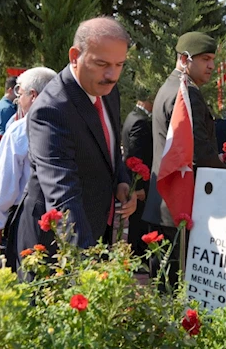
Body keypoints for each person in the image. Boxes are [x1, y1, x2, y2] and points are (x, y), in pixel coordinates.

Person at [11, 17, 137, 274]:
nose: (112, 75)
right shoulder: (51, 110)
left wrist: (122, 181)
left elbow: (109, 149)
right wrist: (88, 266)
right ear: (75, 56)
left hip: (93, 230)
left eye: (119, 65)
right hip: (54, 248)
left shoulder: (107, 91)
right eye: (102, 64)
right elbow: (62, 196)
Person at [143, 31, 226, 284]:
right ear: (184, 59)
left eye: (213, 59)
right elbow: (198, 150)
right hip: (178, 204)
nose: (211, 65)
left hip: (164, 202)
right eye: (205, 59)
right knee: (178, 286)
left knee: (165, 285)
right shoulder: (186, 93)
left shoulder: (168, 88)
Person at [0, 67, 56, 254]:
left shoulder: (20, 129)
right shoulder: (71, 125)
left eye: (20, 93)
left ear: (33, 95)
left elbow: (6, 179)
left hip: (28, 214)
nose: (18, 100)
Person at [121, 89, 154, 259]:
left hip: (137, 181)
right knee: (139, 225)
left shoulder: (132, 116)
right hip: (139, 183)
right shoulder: (140, 121)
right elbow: (135, 157)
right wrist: (139, 187)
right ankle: (137, 258)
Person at [0, 76, 18, 143]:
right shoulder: (6, 108)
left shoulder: (4, 105)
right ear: (10, 90)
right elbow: (4, 133)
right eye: (17, 90)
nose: (18, 94)